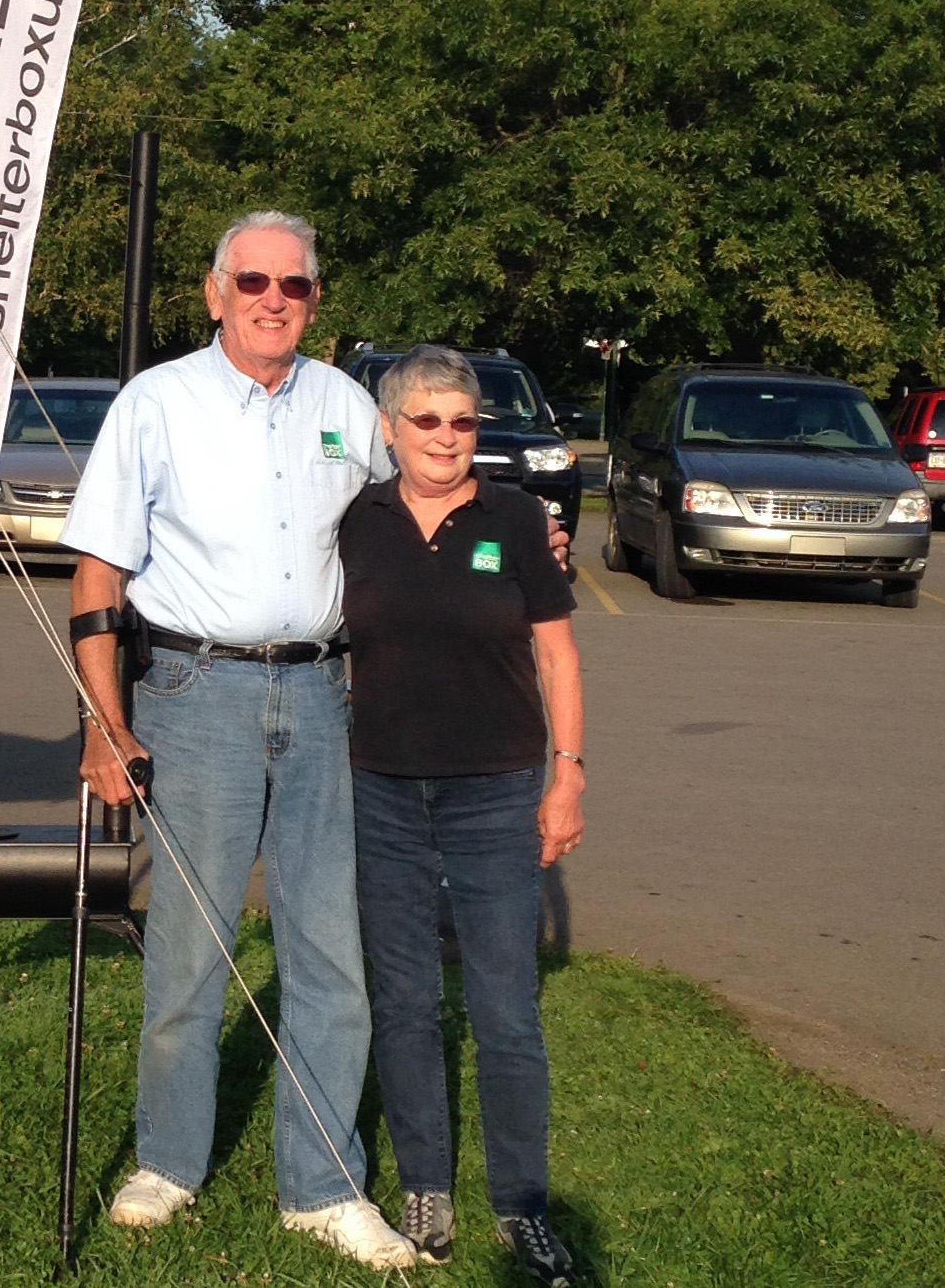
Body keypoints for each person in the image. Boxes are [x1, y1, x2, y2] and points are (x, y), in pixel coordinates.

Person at [61, 211, 421, 1271]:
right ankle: (167, 1159)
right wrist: (103, 720)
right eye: (252, 280)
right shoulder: (156, 402)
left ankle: (323, 1183)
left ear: (316, 297)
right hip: (192, 686)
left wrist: (512, 531)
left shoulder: (347, 406)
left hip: (320, 697)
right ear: (214, 292)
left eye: (294, 284)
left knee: (326, 952)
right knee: (190, 947)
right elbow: (96, 576)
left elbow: (417, 517)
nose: (274, 298)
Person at [339, 344, 585, 1286]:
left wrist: (567, 776)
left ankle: (522, 1204)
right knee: (404, 1000)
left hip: (498, 788)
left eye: (463, 422)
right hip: (383, 791)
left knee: (505, 1007)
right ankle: (424, 1186)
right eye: (427, 421)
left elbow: (559, 656)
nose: (447, 438)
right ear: (392, 429)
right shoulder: (353, 520)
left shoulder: (516, 518)